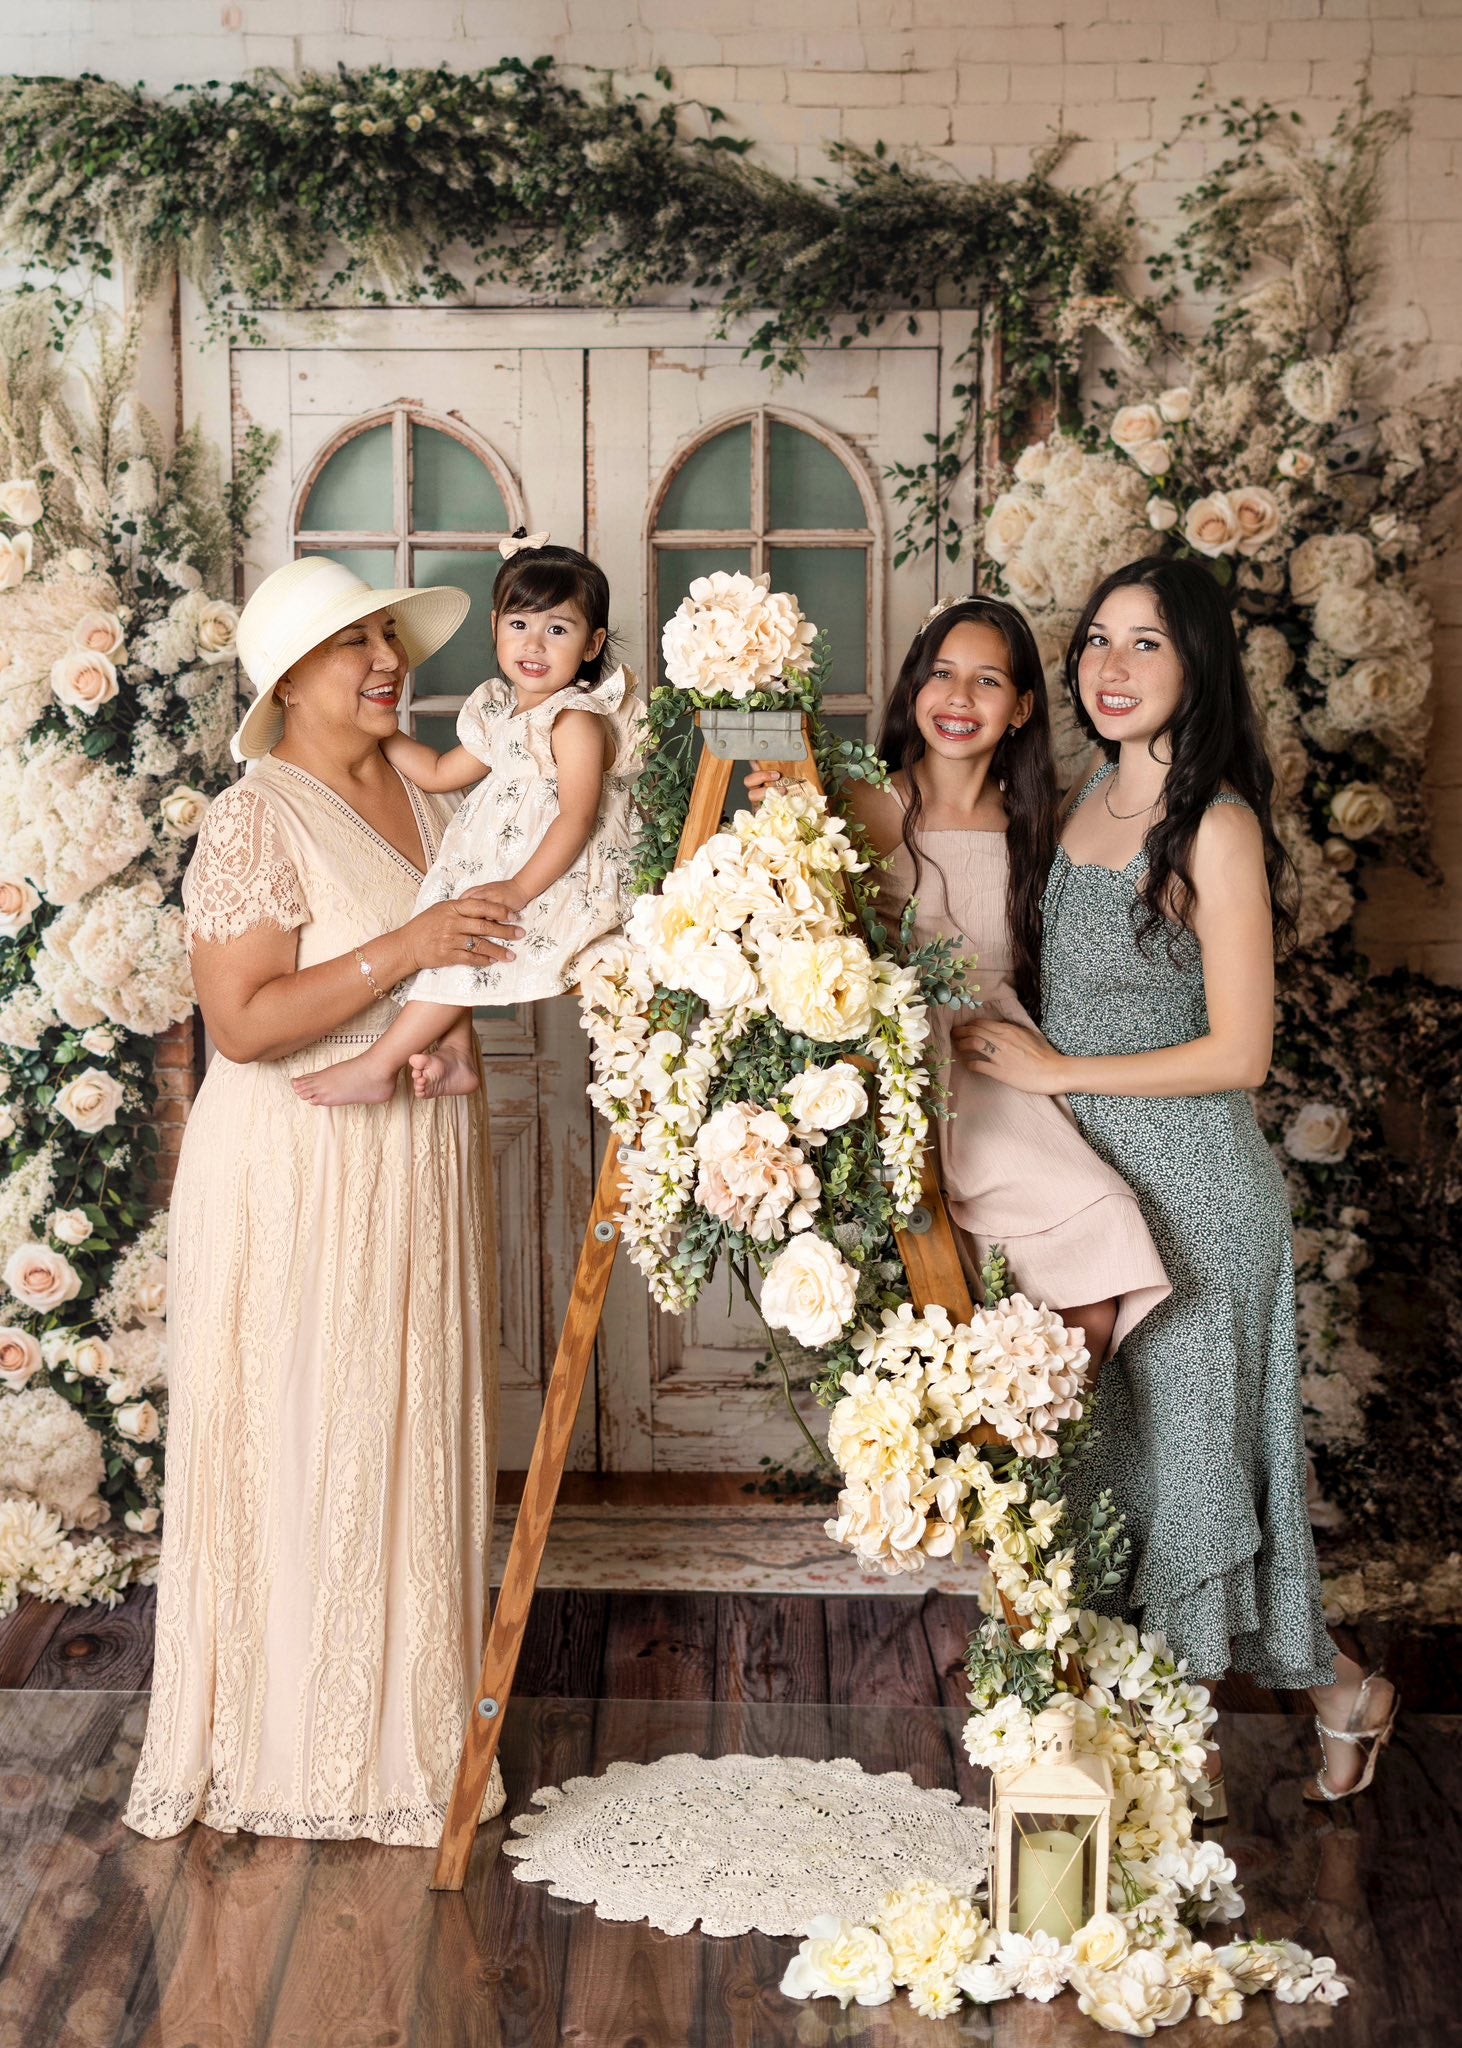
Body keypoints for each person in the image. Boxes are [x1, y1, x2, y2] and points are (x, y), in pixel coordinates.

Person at [961, 556, 1398, 1807]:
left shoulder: (1212, 821)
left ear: (1196, 664)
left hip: (1199, 1195)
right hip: (1090, 1190)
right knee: (1124, 1481)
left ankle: (1168, 1791)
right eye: (1097, 640)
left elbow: (1241, 1051)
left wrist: (1056, 1069)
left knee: (1196, 1484)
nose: (1108, 666)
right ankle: (1338, 1695)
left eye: (1143, 644)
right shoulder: (1084, 791)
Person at [124, 555, 523, 1844]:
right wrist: (405, 947)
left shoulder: (421, 794)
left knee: (403, 1418)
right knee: (306, 1426)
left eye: (389, 636)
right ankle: (293, 1746)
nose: (388, 659)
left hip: (413, 1152)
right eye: (356, 643)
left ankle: (407, 1735)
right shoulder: (255, 815)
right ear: (287, 678)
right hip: (295, 1164)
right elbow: (240, 1025)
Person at [749, 594, 1169, 1368]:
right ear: (915, 689)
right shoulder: (858, 805)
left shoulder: (1038, 824)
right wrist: (787, 822)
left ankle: (1023, 1457)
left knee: (1093, 1266)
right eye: (942, 674)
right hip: (897, 1052)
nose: (959, 698)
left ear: (1020, 709)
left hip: (996, 1050)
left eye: (987, 682)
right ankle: (977, 1456)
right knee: (932, 1307)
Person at [294, 532, 641, 1107]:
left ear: (591, 644)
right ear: (495, 627)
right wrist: (375, 732)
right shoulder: (503, 712)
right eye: (519, 625)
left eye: (558, 629)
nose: (535, 643)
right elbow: (437, 771)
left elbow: (577, 817)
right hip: (502, 863)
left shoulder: (575, 719)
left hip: (554, 874)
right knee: (446, 928)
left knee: (464, 934)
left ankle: (379, 1064)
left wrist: (517, 887)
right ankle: (455, 1050)